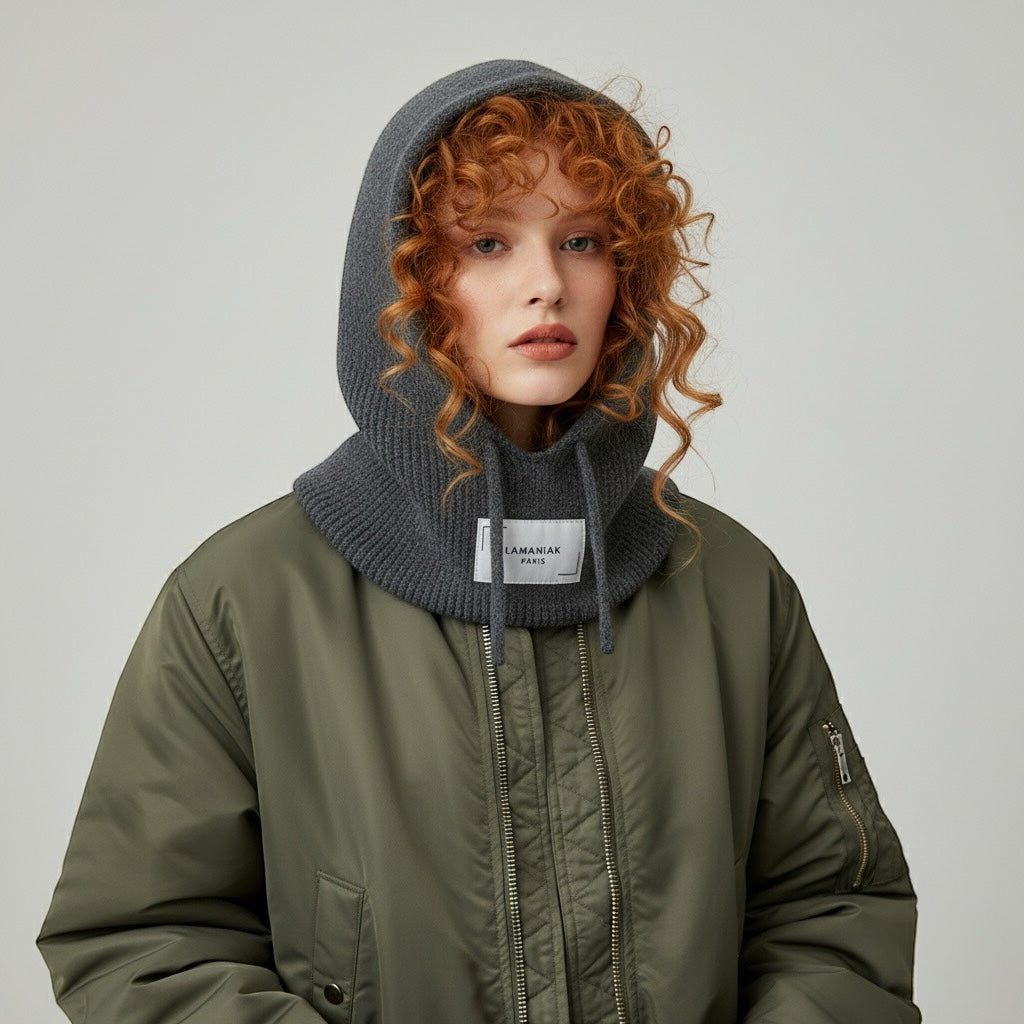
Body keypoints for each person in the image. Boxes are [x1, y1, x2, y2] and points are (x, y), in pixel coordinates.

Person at [38, 59, 920, 1023]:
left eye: (583, 240)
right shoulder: (243, 599)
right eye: (488, 243)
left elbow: (834, 916)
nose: (547, 285)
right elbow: (143, 946)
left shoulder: (730, 583)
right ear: (404, 279)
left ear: (629, 274)